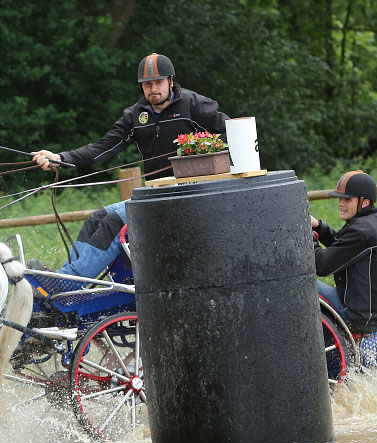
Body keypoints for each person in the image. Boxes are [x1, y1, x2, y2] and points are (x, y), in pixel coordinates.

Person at [28, 53, 229, 279]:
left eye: (159, 82)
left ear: (171, 81)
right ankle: (65, 277)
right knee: (96, 218)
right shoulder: (135, 115)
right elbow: (101, 148)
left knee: (116, 221)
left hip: (191, 195)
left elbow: (231, 135)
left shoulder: (194, 105)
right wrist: (61, 157)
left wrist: (199, 153)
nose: (153, 89)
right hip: (154, 195)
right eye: (147, 84)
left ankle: (69, 283)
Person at [311, 170, 377, 366]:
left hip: (359, 315)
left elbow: (321, 265)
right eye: (340, 198)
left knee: (306, 285)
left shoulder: (361, 230)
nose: (341, 203)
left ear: (365, 202)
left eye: (348, 199)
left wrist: (307, 236)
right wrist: (318, 227)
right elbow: (344, 246)